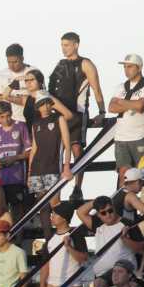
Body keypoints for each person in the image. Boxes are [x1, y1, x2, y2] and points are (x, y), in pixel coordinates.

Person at [48, 32, 105, 199]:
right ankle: (55, 192)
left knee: (77, 149)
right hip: (59, 115)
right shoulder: (60, 64)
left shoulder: (85, 63)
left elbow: (97, 89)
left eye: (67, 45)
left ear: (76, 45)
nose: (64, 49)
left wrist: (101, 112)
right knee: (57, 151)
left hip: (78, 113)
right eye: (62, 45)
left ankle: (77, 188)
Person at [109, 53, 144, 185]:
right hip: (120, 137)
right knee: (123, 173)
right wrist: (131, 104)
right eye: (125, 67)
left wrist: (121, 101)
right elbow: (111, 108)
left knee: (141, 174)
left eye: (130, 67)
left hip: (139, 135)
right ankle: (123, 202)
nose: (126, 70)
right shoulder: (121, 86)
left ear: (139, 68)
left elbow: (140, 106)